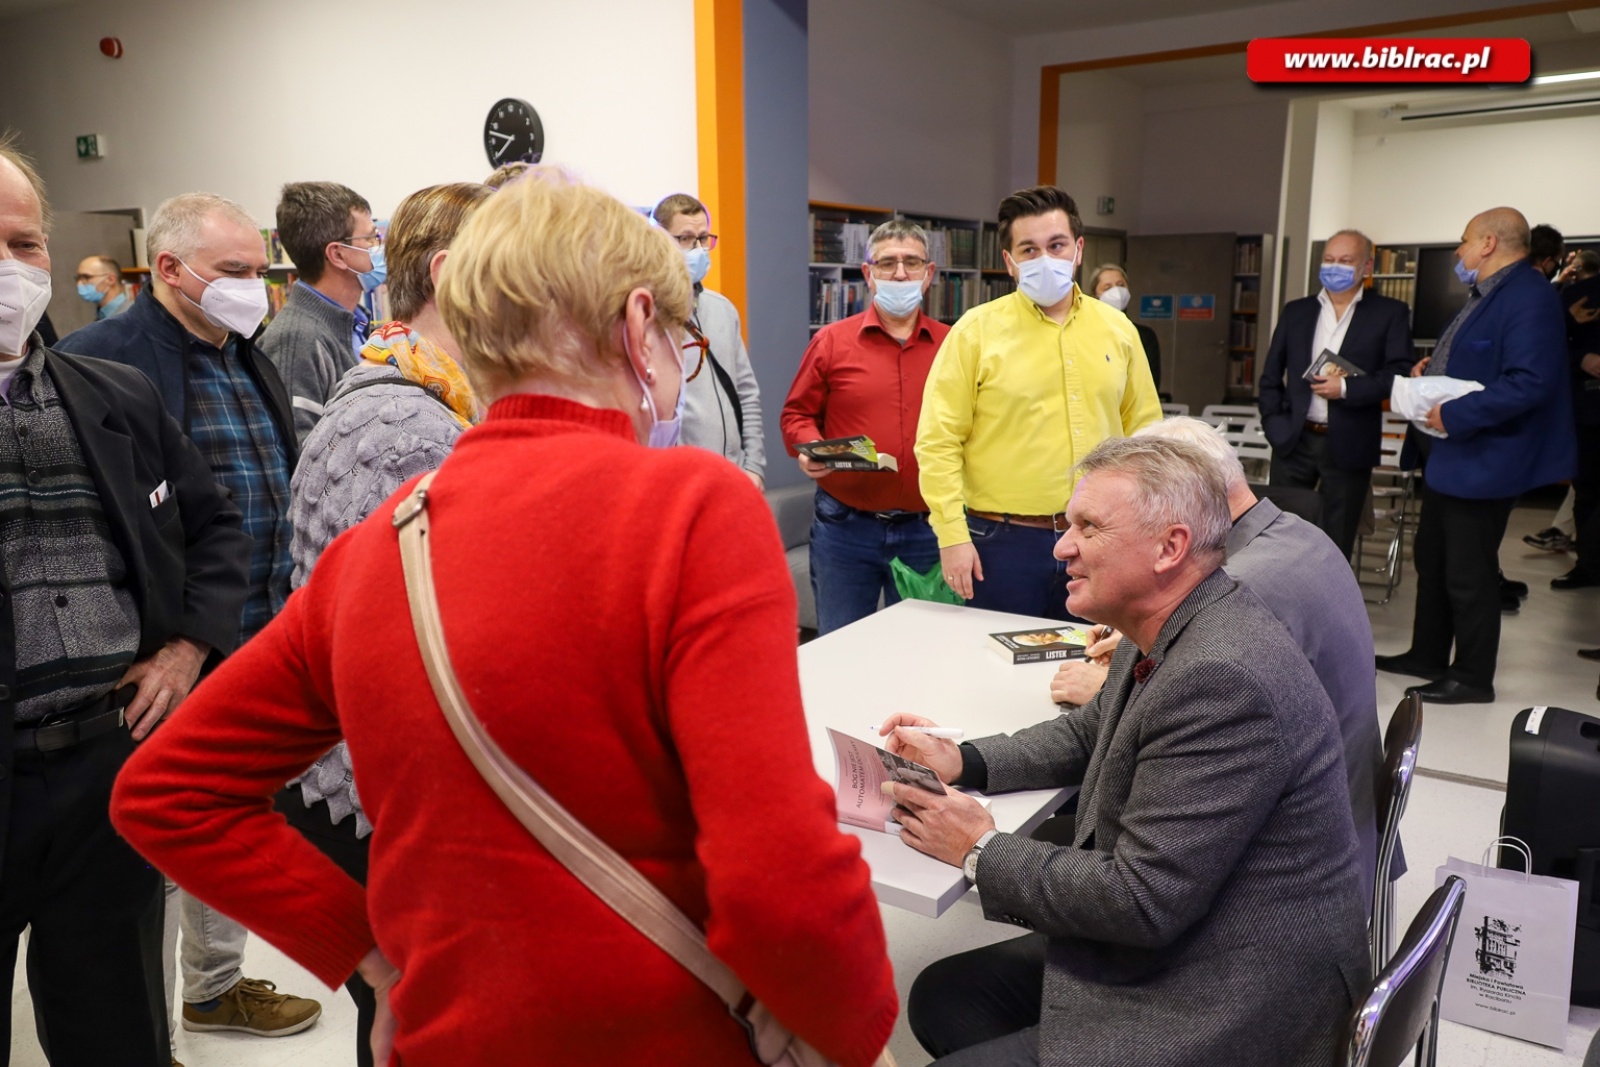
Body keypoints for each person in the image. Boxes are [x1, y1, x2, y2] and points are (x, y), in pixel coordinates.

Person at [111, 166, 898, 1067]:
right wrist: (856, 1026)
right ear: (638, 323)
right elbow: (780, 876)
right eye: (678, 339)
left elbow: (166, 789)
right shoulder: (694, 508)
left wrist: (375, 961)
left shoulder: (383, 539)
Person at [884, 435, 1368, 1066]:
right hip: (1198, 930)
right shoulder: (1170, 618)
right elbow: (1090, 733)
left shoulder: (1222, 675)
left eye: (1088, 527)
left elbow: (1142, 899)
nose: (1061, 546)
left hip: (1235, 990)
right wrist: (963, 759)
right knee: (945, 997)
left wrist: (978, 846)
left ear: (1170, 547)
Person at [0, 137, 249, 1067]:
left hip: (105, 767)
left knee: (119, 1034)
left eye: (25, 244)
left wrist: (187, 649)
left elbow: (215, 528)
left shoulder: (113, 393)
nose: (13, 268)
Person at [56, 193, 322, 1040]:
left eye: (259, 269)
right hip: (166, 648)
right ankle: (149, 1035)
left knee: (235, 814)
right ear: (168, 269)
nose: (254, 286)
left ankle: (215, 985)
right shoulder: (99, 361)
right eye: (234, 271)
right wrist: (171, 643)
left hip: (261, 630)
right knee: (152, 846)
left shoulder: (248, 353)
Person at [280, 180, 491, 1067]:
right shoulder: (406, 425)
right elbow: (424, 662)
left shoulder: (429, 396)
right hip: (378, 807)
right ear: (452, 275)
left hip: (388, 798)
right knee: (416, 1022)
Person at [1052, 416, 1388, 897]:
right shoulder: (1296, 534)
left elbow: (1145, 890)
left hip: (1285, 875)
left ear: (1190, 494)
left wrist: (1108, 688)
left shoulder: (1241, 589)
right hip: (1343, 825)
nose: (1065, 545)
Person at [916, 186, 1162, 620]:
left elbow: (1146, 432)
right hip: (1001, 543)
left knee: (1091, 657)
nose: (1045, 258)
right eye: (1029, 249)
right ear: (1009, 261)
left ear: (1078, 249)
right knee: (994, 658)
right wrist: (951, 534)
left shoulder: (1119, 330)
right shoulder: (974, 332)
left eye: (1056, 245)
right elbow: (938, 442)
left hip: (1099, 538)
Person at [1377, 207, 1576, 704]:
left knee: (1469, 571)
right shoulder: (1488, 293)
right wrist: (1431, 371)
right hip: (1453, 455)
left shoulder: (1529, 295)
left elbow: (1530, 382)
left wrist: (1455, 412)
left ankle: (1471, 675)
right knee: (1434, 558)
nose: (1459, 250)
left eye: (1465, 240)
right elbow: (1479, 360)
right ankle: (1427, 654)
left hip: (1487, 455)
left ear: (1488, 243)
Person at [781, 218, 948, 633]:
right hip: (846, 527)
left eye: (912, 262)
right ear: (868, 274)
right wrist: (811, 448)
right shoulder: (831, 341)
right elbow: (796, 415)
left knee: (922, 648)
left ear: (929, 273)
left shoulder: (953, 345)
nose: (900, 273)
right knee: (840, 644)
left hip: (927, 529)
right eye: (887, 263)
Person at [1257, 229, 1413, 559]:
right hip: (1293, 440)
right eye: (1329, 259)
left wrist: (1345, 388)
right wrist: (1274, 424)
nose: (1334, 267)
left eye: (1345, 260)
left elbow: (1397, 374)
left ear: (1366, 266)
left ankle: (1329, 594)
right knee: (1280, 537)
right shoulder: (1296, 311)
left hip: (1349, 442)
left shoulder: (1390, 313)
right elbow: (1270, 375)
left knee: (1336, 540)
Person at [652, 193, 765, 487]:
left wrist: (754, 466)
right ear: (660, 240)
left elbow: (746, 393)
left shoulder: (723, 309)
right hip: (681, 482)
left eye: (703, 238)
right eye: (686, 239)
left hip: (735, 476)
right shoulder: (645, 315)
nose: (699, 249)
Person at [258, 181, 382, 443]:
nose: (378, 247)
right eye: (370, 238)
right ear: (338, 255)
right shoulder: (295, 339)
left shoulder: (354, 323)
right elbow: (302, 452)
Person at [1552, 254, 1600, 593]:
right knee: (1587, 491)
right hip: (1588, 407)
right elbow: (1550, 344)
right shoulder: (1575, 295)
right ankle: (1588, 566)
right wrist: (1581, 358)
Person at [1085, 263, 1159, 390]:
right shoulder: (1085, 334)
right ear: (1094, 295)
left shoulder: (1144, 335)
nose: (1116, 291)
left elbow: (1150, 384)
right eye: (1107, 287)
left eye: (1121, 285)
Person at [74, 254, 130, 318]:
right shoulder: (103, 314)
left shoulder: (132, 316)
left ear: (111, 279)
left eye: (86, 277)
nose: (79, 284)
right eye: (78, 278)